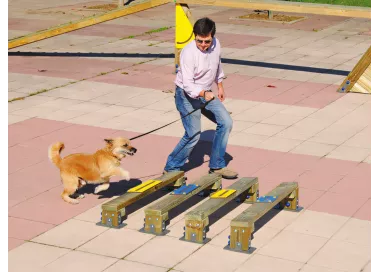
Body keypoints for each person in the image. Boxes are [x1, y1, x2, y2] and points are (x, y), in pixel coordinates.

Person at [163, 17, 238, 179]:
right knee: (193, 133)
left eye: (207, 41)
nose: (203, 45)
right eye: (200, 41)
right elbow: (189, 85)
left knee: (226, 122)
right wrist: (204, 94)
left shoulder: (216, 44)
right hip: (186, 95)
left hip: (207, 93)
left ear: (213, 37)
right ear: (194, 36)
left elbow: (217, 64)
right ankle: (172, 167)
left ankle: (217, 165)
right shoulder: (188, 53)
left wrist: (220, 85)